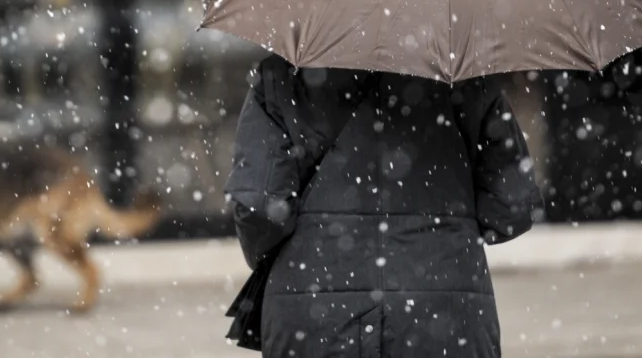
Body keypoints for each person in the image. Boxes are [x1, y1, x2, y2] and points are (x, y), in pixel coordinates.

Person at [224, 54, 542, 358]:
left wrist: (278, 255)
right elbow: (510, 208)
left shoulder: (281, 76)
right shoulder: (466, 74)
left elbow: (259, 210)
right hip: (444, 314)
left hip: (314, 310)